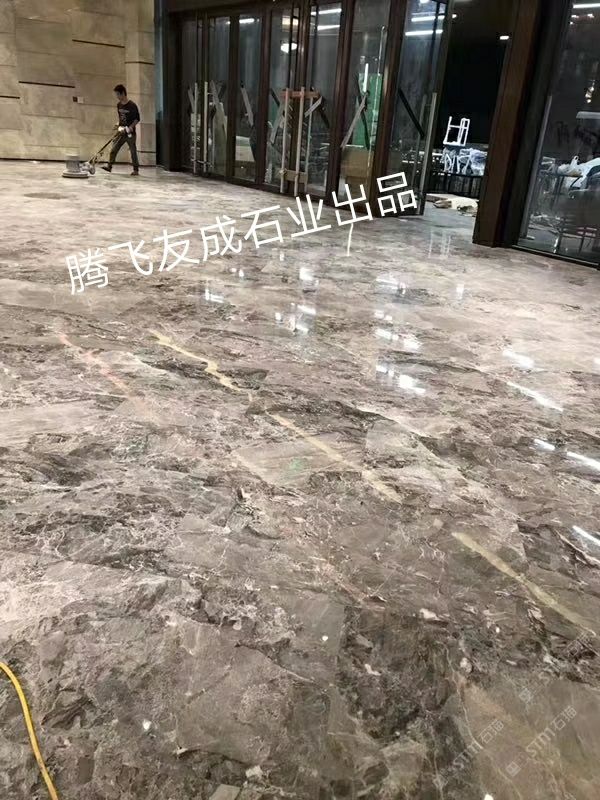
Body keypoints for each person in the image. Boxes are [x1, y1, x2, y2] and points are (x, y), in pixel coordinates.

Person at [102, 84, 140, 176]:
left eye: (118, 94)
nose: (117, 97)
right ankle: (109, 166)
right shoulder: (119, 105)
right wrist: (117, 125)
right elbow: (120, 118)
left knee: (133, 151)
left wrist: (131, 127)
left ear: (123, 93)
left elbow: (137, 119)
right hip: (121, 132)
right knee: (114, 148)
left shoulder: (132, 105)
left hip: (130, 133)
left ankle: (135, 170)